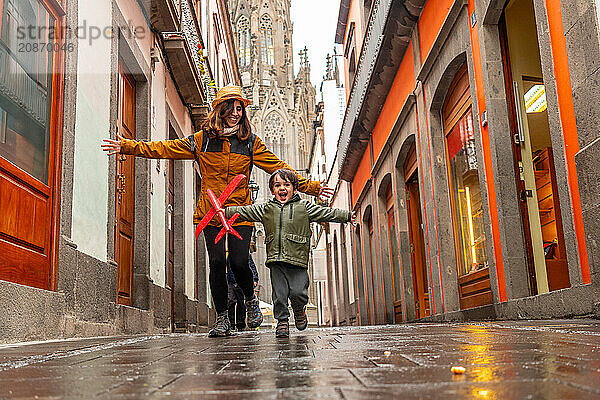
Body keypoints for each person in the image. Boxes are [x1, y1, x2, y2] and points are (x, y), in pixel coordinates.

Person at [101, 85, 333, 337]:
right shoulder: (202, 140)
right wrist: (127, 146)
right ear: (220, 109)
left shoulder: (250, 143)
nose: (236, 112)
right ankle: (222, 318)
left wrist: (312, 187)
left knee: (239, 261)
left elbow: (278, 167)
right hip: (211, 212)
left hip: (239, 213)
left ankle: (250, 299)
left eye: (240, 108)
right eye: (232, 107)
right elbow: (165, 147)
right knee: (216, 262)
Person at [225, 169, 354, 338]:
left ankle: (299, 310)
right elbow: (246, 211)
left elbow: (326, 213)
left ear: (294, 188)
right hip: (276, 259)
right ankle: (282, 322)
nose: (282, 188)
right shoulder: (267, 209)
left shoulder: (304, 207)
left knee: (298, 292)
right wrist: (224, 211)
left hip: (298, 259)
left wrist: (346, 215)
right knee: (279, 294)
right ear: (272, 190)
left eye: (287, 185)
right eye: (277, 185)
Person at [227, 253, 259, 331]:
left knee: (241, 303)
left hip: (240, 281)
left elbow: (252, 266)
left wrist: (255, 279)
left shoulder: (246, 253)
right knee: (230, 301)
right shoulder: (229, 255)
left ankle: (240, 324)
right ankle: (231, 324)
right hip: (230, 281)